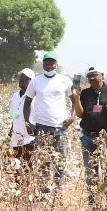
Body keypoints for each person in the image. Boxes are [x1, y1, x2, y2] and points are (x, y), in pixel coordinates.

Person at [22, 53, 75, 189]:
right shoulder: (36, 81)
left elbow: (75, 100)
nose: (49, 66)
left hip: (60, 128)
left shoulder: (65, 81)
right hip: (42, 128)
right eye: (47, 63)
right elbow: (27, 102)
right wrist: (28, 123)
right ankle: (42, 192)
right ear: (43, 64)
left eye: (52, 63)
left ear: (56, 65)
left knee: (60, 163)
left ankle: (58, 193)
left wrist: (72, 117)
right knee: (43, 163)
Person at [73, 66, 107, 203]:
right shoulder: (85, 93)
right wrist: (76, 99)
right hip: (88, 137)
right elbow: (80, 114)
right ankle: (93, 204)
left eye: (95, 75)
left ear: (102, 75)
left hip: (106, 137)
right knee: (90, 172)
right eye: (89, 76)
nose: (92, 78)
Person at [9, 68, 36, 184]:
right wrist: (11, 129)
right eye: (21, 78)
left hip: (29, 137)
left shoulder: (35, 96)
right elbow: (14, 115)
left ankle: (28, 189)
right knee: (16, 164)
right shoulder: (15, 96)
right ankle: (18, 188)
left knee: (28, 165)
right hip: (16, 137)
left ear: (32, 82)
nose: (23, 81)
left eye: (26, 79)